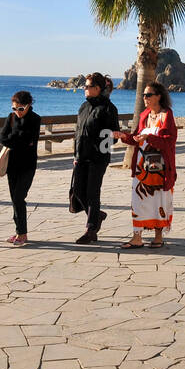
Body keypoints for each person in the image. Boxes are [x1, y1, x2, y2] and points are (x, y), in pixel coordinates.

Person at [115, 81, 178, 249]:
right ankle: (137, 237)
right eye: (144, 95)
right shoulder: (144, 115)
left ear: (158, 96)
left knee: (159, 201)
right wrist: (123, 136)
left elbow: (170, 142)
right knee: (138, 200)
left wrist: (149, 138)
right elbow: (136, 138)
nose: (145, 98)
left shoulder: (167, 115)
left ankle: (158, 237)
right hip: (141, 167)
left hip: (161, 169)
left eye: (148, 95)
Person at [73, 73, 121, 245]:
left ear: (97, 89)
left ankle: (91, 230)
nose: (84, 89)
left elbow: (114, 136)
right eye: (84, 86)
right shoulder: (83, 107)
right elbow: (78, 132)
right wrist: (76, 155)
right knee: (78, 191)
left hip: (98, 158)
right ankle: (98, 215)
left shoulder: (109, 108)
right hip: (81, 157)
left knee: (92, 193)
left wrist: (99, 146)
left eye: (87, 86)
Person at [0, 91, 41, 246]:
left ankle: (22, 234)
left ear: (28, 106)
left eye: (20, 109)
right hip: (12, 165)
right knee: (15, 200)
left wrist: (14, 141)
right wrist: (16, 141)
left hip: (28, 165)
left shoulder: (35, 119)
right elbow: (2, 138)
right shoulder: (10, 118)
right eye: (14, 108)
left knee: (18, 197)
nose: (17, 112)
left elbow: (29, 139)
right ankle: (19, 232)